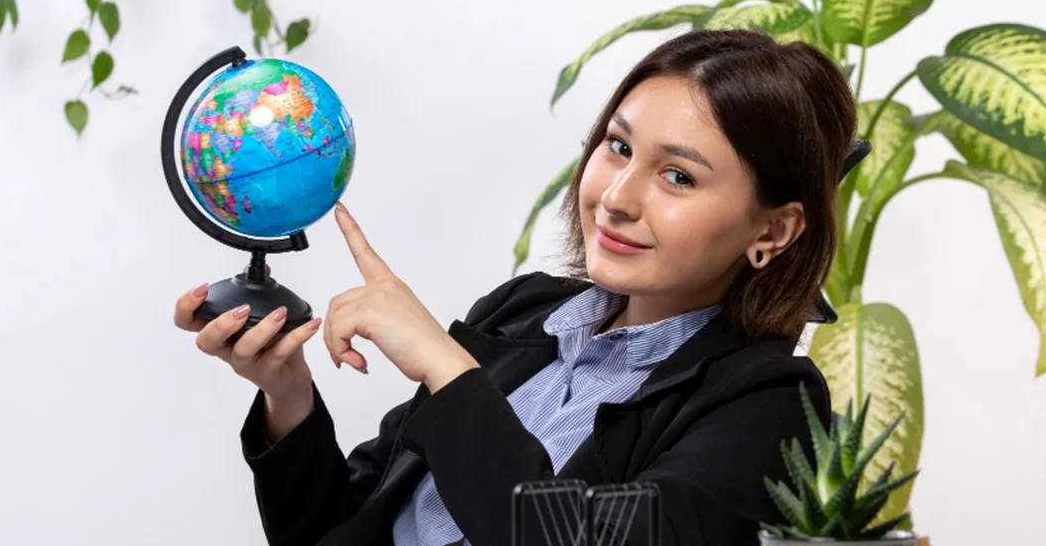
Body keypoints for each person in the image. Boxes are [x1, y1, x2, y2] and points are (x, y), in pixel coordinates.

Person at [174, 29, 860, 546]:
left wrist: (447, 368)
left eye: (677, 176)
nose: (615, 198)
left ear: (773, 230)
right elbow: (337, 527)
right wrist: (288, 395)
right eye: (619, 147)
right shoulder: (522, 313)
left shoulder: (771, 404)